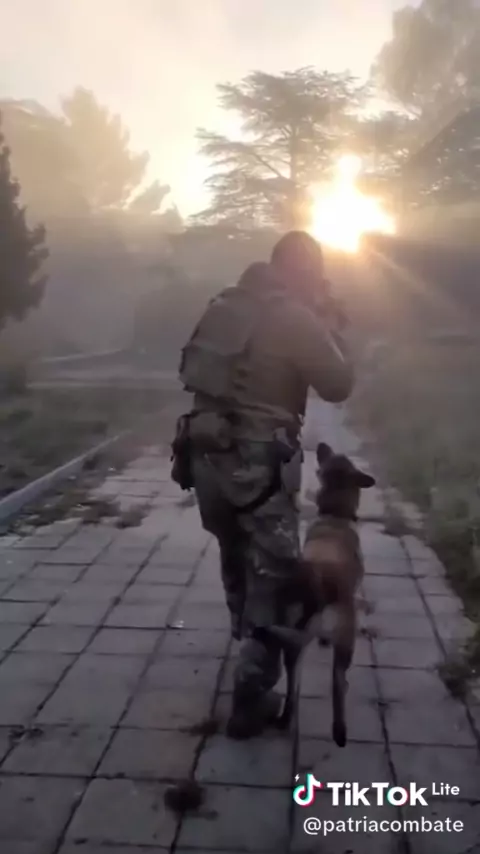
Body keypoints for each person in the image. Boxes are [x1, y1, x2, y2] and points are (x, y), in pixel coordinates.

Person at [172, 231, 354, 739]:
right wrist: (328, 323)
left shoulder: (224, 305)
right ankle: (250, 696)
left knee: (235, 553)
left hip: (204, 455)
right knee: (275, 578)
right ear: (304, 273)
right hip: (258, 466)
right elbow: (339, 385)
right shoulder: (294, 315)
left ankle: (247, 643)